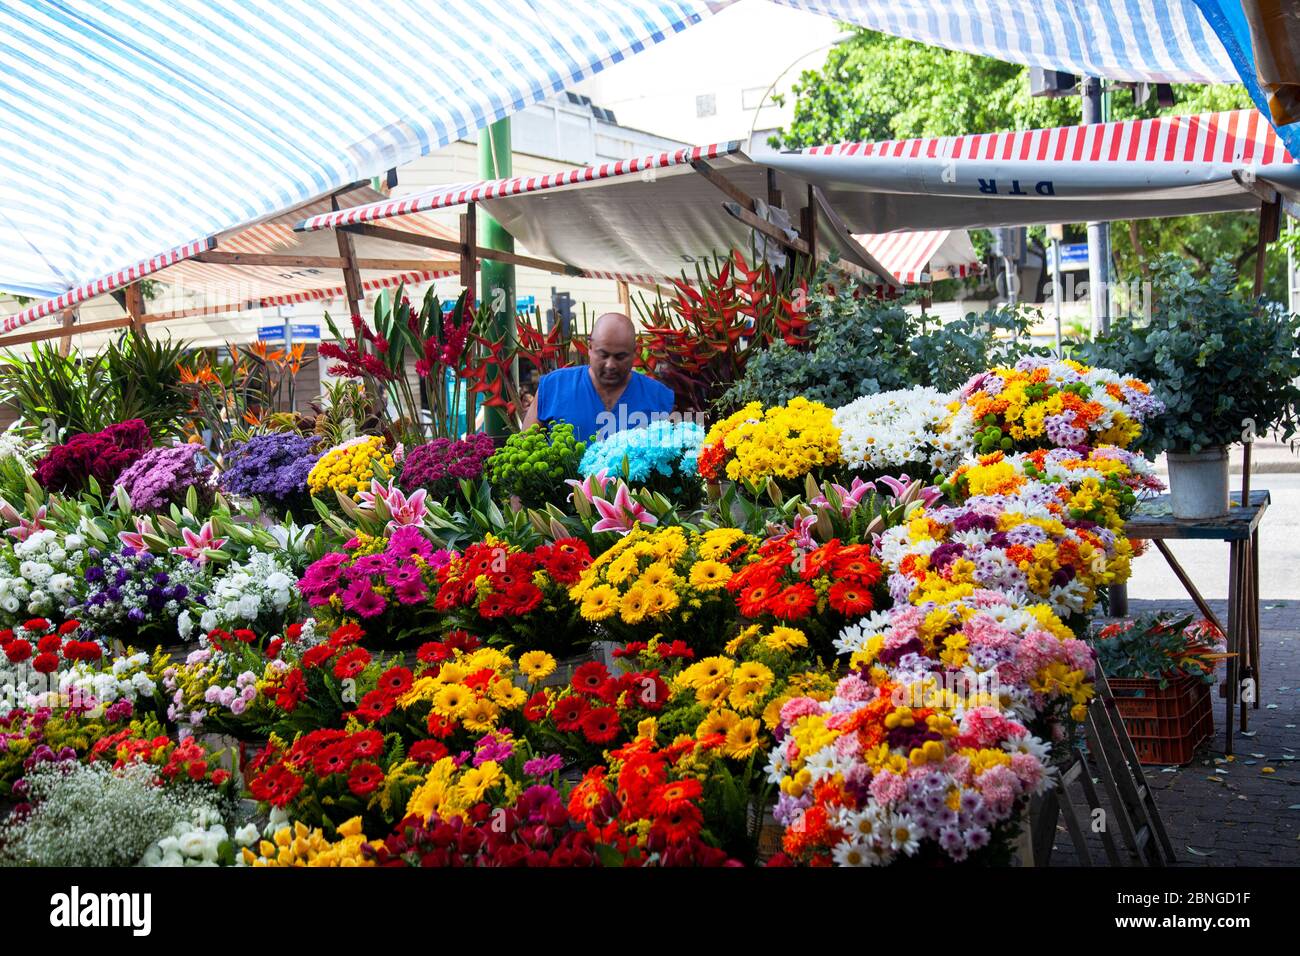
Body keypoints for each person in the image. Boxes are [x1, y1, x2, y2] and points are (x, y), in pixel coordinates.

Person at [522, 312, 674, 443]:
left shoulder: (658, 397)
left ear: (635, 353)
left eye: (620, 357)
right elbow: (524, 450)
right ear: (590, 348)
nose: (610, 365)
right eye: (603, 355)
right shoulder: (553, 387)